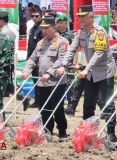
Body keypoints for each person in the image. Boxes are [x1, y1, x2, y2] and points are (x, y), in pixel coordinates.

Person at [57, 5, 117, 142]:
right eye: (79, 16)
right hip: (90, 72)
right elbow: (72, 49)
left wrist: (86, 69)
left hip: (104, 71)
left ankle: (111, 132)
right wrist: (63, 65)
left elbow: (98, 54)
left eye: (83, 16)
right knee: (88, 104)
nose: (80, 19)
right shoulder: (81, 32)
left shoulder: (100, 32)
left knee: (107, 103)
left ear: (91, 16)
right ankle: (88, 131)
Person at [21, 17, 69, 141]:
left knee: (57, 108)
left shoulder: (62, 42)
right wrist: (26, 70)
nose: (43, 31)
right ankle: (48, 130)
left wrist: (49, 73)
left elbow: (61, 60)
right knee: (44, 108)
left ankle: (62, 131)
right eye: (42, 28)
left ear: (53, 27)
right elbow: (32, 58)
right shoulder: (41, 43)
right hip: (42, 82)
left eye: (46, 28)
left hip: (56, 82)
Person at [23, 8, 43, 110]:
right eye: (33, 16)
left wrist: (40, 60)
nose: (34, 18)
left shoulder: (42, 29)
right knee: (35, 80)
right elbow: (30, 45)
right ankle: (37, 100)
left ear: (41, 16)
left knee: (40, 81)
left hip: (39, 60)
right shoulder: (32, 29)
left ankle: (41, 101)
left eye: (36, 16)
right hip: (32, 58)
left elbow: (43, 46)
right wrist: (28, 58)